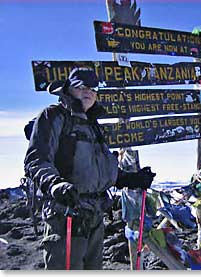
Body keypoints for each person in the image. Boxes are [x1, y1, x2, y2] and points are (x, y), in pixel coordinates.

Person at [24, 67, 156, 270]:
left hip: (94, 217)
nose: (89, 92)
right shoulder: (53, 116)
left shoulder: (93, 125)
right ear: (69, 89)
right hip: (65, 214)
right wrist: (55, 184)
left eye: (93, 89)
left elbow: (98, 168)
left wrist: (130, 179)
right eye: (82, 86)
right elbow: (37, 160)